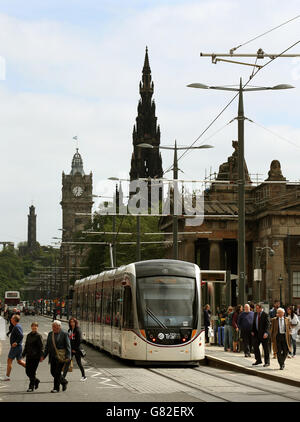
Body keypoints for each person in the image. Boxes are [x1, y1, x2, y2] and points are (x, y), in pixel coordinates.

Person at [41, 320, 71, 393]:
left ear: (59, 326)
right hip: (52, 356)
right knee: (53, 372)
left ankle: (56, 388)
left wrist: (68, 356)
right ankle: (64, 382)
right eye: (52, 326)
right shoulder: (50, 334)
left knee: (57, 372)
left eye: (55, 326)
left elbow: (68, 346)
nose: (53, 328)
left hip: (61, 357)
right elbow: (47, 346)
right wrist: (43, 356)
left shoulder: (64, 334)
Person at [0, 314, 26, 381]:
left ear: (14, 320)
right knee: (19, 361)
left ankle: (7, 376)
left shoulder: (17, 327)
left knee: (9, 360)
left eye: (12, 318)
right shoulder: (17, 326)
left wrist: (16, 342)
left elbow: (21, 335)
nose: (11, 319)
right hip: (18, 347)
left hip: (16, 347)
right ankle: (32, 370)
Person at [22, 322, 44, 392]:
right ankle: (36, 380)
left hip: (36, 356)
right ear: (31, 327)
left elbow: (41, 347)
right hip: (29, 356)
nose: (34, 327)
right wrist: (23, 354)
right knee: (27, 371)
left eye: (36, 326)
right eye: (33, 326)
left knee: (32, 371)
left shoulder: (39, 336)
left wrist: (41, 356)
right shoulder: (28, 335)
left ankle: (31, 387)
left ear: (37, 327)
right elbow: (26, 346)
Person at [251, 303, 270, 367]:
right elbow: (254, 323)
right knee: (255, 346)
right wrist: (252, 331)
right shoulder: (255, 314)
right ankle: (258, 360)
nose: (257, 310)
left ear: (261, 308)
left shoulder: (265, 315)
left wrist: (266, 333)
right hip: (256, 334)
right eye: (256, 308)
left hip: (264, 334)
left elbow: (267, 325)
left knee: (265, 348)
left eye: (258, 308)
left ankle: (267, 362)